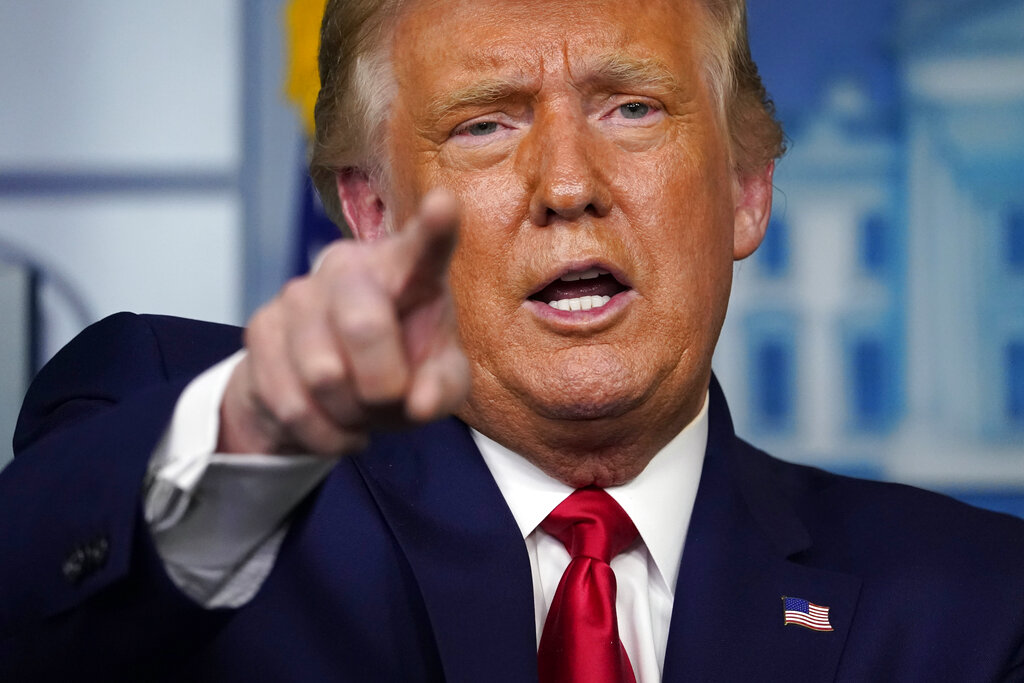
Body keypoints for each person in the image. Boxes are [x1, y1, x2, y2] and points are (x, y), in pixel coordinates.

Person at [2, 0, 1023, 680]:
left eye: (632, 108)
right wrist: (254, 433)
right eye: (485, 124)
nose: (568, 186)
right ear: (370, 211)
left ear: (745, 191)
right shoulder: (199, 420)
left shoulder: (975, 606)